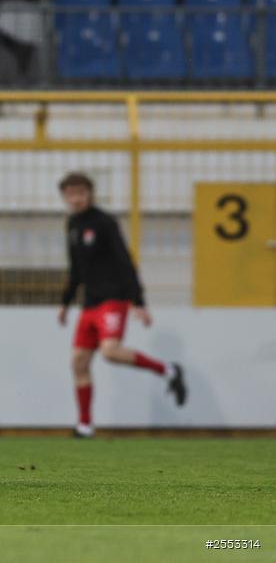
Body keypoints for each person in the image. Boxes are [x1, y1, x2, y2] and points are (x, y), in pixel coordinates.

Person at [57, 172, 187, 438]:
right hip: (90, 304)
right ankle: (84, 425)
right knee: (79, 362)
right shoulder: (71, 224)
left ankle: (169, 370)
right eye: (70, 193)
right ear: (65, 197)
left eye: (80, 192)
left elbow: (123, 260)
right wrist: (66, 302)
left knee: (110, 351)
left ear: (90, 194)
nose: (76, 198)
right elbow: (76, 268)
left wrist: (137, 300)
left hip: (113, 298)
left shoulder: (104, 222)